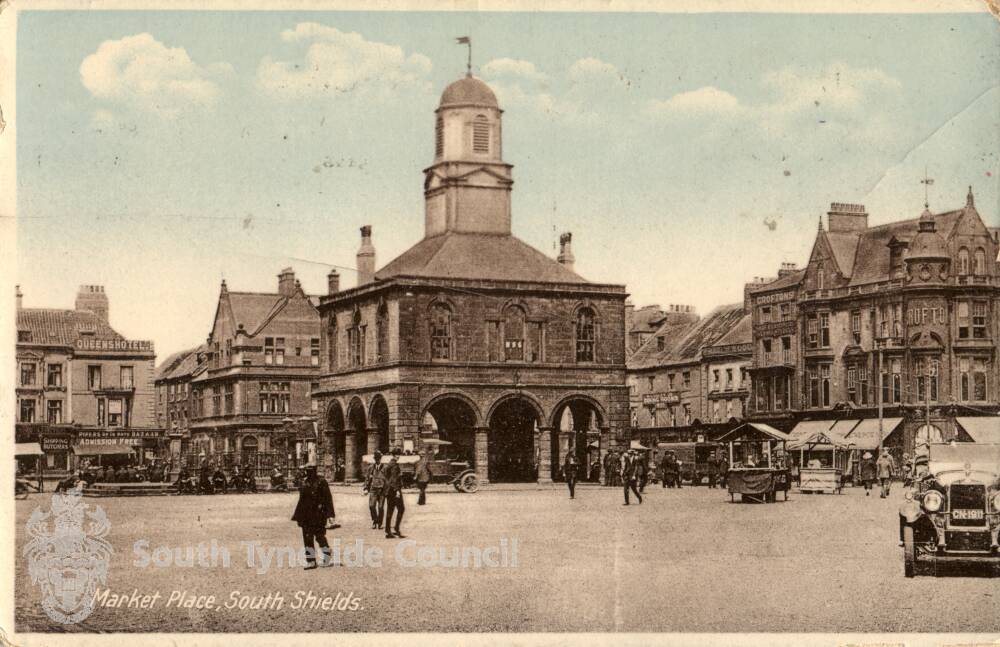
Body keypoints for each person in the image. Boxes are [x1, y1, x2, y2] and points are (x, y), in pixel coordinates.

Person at [291, 464, 335, 569]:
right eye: (307, 470)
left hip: (319, 514)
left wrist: (330, 515)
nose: (308, 472)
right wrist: (298, 516)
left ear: (314, 471)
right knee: (307, 538)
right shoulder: (304, 483)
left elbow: (328, 499)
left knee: (319, 536)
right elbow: (301, 501)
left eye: (310, 470)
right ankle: (311, 561)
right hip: (306, 515)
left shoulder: (321, 482)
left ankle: (327, 554)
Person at [383, 449, 405, 538]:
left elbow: (387, 476)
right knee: (401, 509)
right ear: (394, 455)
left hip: (389, 490)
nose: (398, 456)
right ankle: (396, 528)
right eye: (397, 455)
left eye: (398, 454)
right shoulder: (394, 465)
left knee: (390, 510)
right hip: (394, 490)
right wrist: (397, 491)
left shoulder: (389, 464)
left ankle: (388, 530)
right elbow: (394, 479)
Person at [365, 450, 387, 529]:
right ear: (374, 459)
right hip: (373, 489)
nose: (377, 460)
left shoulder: (385, 468)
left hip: (382, 490)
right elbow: (367, 479)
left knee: (380, 507)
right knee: (371, 506)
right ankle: (375, 520)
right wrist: (366, 488)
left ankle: (380, 523)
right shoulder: (371, 468)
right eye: (376, 458)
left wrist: (386, 490)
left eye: (379, 458)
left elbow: (387, 480)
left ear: (380, 459)